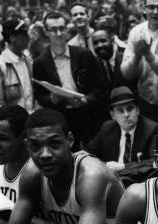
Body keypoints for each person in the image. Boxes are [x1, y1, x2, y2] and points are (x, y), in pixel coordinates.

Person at [33, 12, 110, 149]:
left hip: (87, 116)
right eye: (53, 29)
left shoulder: (83, 54)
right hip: (61, 118)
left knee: (92, 154)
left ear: (67, 29)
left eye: (62, 28)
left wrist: (87, 99)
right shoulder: (40, 62)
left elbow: (102, 87)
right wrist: (50, 98)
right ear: (45, 32)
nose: (58, 33)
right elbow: (38, 94)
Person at [85, 86, 158, 170]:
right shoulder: (107, 128)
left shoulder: (151, 129)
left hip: (139, 180)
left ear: (138, 110)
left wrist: (124, 166)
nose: (126, 115)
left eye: (130, 109)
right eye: (120, 111)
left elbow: (154, 162)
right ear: (113, 115)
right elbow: (87, 153)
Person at [0, 19, 37, 114]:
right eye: (25, 34)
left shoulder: (29, 62)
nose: (29, 38)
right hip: (13, 123)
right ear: (13, 37)